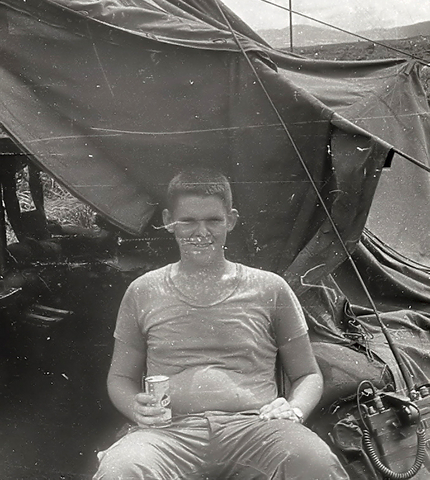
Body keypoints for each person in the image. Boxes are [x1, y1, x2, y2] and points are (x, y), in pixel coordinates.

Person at [93, 169, 349, 480]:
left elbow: (308, 375)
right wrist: (137, 408)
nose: (200, 231)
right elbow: (119, 378)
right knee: (121, 469)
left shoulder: (269, 287)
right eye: (187, 220)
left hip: (256, 429)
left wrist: (294, 410)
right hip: (169, 434)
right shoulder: (144, 291)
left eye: (213, 220)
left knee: (315, 462)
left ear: (231, 220)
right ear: (169, 220)